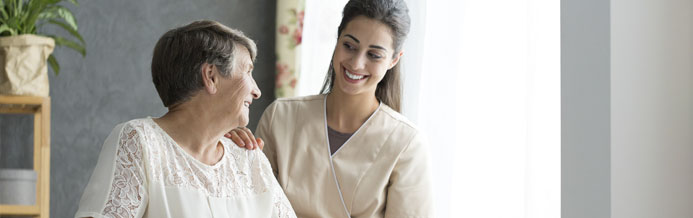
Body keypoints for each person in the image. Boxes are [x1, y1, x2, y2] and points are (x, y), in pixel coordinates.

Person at [228, 0, 433, 217]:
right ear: (338, 39)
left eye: (373, 55)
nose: (356, 63)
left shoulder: (406, 144)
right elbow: (250, 207)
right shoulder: (281, 117)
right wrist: (230, 154)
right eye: (349, 46)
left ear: (393, 60)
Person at [74, 20, 296, 218]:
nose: (256, 91)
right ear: (211, 76)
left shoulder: (249, 159)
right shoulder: (141, 142)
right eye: (247, 71)